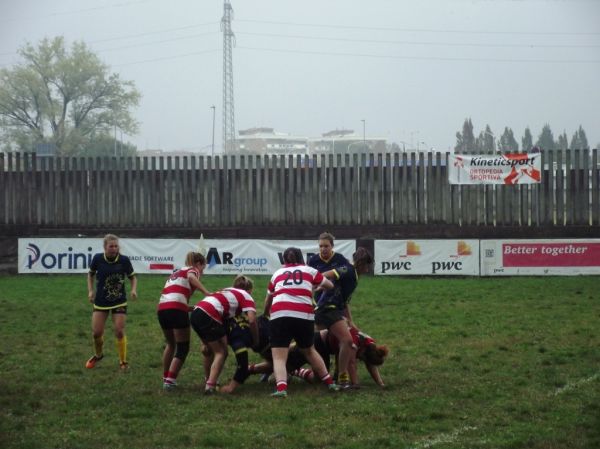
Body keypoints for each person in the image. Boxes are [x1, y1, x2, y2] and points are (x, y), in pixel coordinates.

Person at [263, 247, 338, 397]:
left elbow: (269, 298)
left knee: (279, 356)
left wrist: (266, 313)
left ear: (284, 260)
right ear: (301, 258)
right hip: (304, 314)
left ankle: (281, 389)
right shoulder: (309, 270)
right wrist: (315, 286)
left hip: (279, 314)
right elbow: (330, 285)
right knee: (309, 350)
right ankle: (330, 383)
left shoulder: (277, 274)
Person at [314, 247, 374, 388]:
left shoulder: (355, 276)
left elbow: (345, 302)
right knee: (347, 341)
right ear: (362, 264)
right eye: (367, 265)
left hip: (332, 310)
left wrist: (351, 321)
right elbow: (326, 274)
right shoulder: (347, 270)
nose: (369, 268)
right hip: (328, 309)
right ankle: (343, 377)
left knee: (330, 342)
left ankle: (334, 374)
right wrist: (315, 284)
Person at [190, 275, 258, 394]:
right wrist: (255, 339)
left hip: (196, 313)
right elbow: (252, 320)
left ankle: (209, 380)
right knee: (221, 352)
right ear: (250, 290)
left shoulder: (226, 290)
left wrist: (203, 342)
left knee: (209, 350)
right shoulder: (246, 295)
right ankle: (210, 386)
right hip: (210, 314)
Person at [158, 252, 211, 390]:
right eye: (203, 268)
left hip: (162, 308)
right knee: (183, 346)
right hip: (176, 310)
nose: (202, 272)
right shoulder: (192, 270)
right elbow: (191, 277)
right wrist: (206, 292)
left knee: (170, 343)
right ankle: (170, 380)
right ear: (199, 264)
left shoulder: (176, 272)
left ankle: (166, 376)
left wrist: (187, 308)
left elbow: (171, 295)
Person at [85, 234, 137, 371]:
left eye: (116, 246)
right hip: (101, 301)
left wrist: (133, 290)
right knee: (96, 333)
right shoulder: (97, 259)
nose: (114, 249)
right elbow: (90, 274)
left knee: (119, 331)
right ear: (105, 247)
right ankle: (98, 355)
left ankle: (123, 361)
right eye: (111, 246)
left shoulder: (124, 260)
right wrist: (90, 291)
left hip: (119, 301)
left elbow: (132, 277)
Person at [290, 327, 389, 388]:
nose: (361, 360)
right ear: (364, 353)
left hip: (328, 348)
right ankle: (292, 369)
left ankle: (294, 370)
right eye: (362, 359)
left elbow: (371, 365)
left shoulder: (370, 346)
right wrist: (355, 384)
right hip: (319, 342)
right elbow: (351, 363)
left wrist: (380, 383)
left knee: (320, 380)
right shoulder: (354, 343)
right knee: (288, 363)